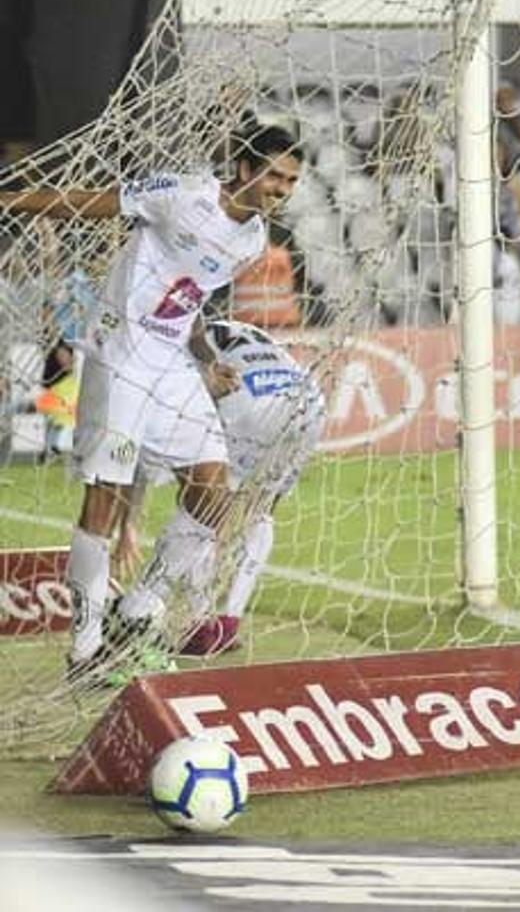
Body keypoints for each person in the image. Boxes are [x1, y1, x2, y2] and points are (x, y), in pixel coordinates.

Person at [0, 122, 303, 684]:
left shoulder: (253, 240)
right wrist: (13, 199)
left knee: (213, 490)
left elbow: (186, 302)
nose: (282, 189)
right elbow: (94, 204)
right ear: (244, 168)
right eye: (275, 175)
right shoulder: (185, 194)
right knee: (105, 501)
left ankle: (138, 605)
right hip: (120, 355)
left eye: (291, 181)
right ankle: (85, 651)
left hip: (172, 366)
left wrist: (208, 358)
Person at [114, 320, 326, 657]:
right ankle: (227, 622)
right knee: (262, 509)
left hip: (245, 401)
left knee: (204, 503)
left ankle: (192, 622)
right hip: (308, 402)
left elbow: (134, 456)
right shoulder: (227, 328)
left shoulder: (159, 355)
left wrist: (128, 525)